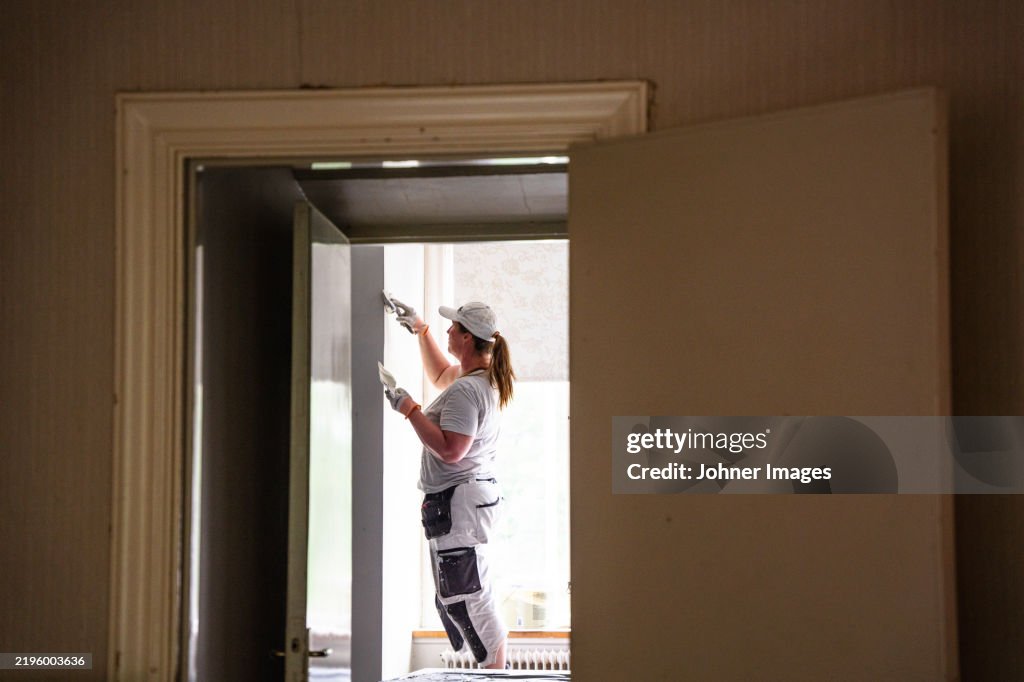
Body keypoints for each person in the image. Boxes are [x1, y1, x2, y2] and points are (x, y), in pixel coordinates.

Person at [382, 297, 515, 669]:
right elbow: (441, 376)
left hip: (459, 501)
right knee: (471, 589)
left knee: (466, 593)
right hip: (468, 499)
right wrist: (421, 330)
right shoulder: (476, 378)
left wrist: (409, 409)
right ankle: (494, 669)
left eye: (454, 328)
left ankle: (493, 672)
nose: (448, 331)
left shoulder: (468, 390)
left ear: (469, 339)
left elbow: (452, 450)